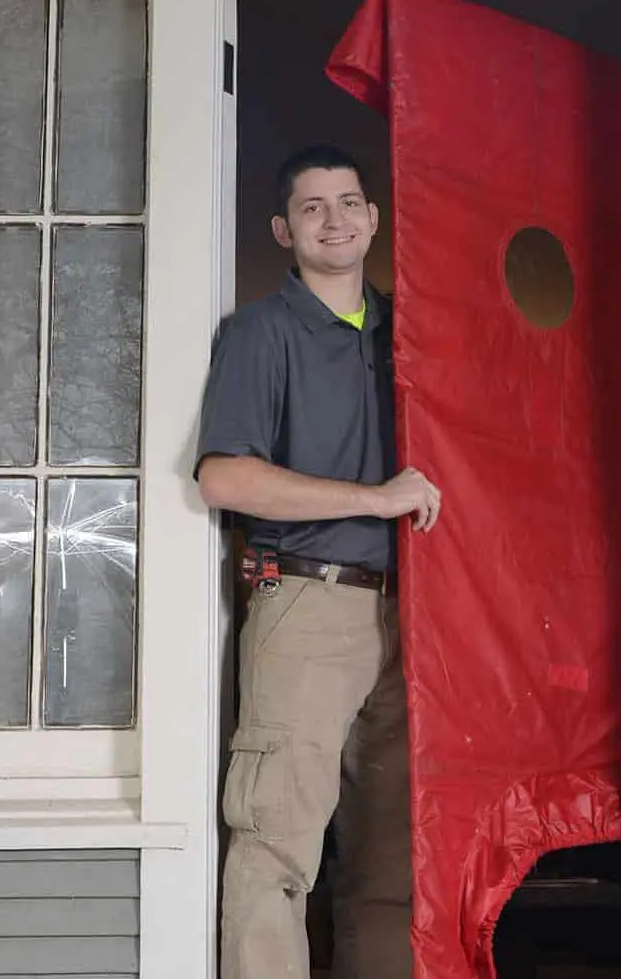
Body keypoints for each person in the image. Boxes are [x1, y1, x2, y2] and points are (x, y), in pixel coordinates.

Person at [195, 143, 442, 979]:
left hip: (414, 615)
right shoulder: (262, 332)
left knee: (390, 870)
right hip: (307, 604)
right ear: (283, 229)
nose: (334, 219)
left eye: (349, 202)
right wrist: (373, 498)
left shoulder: (410, 337)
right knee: (276, 853)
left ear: (374, 219)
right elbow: (225, 476)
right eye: (312, 207)